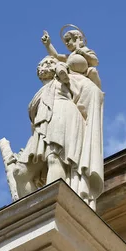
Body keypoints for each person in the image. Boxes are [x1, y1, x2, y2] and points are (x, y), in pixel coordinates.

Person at [13, 56, 86, 197]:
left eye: (50, 62)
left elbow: (66, 74)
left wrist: (60, 65)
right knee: (20, 173)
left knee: (54, 159)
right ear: (38, 71)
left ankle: (54, 209)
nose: (47, 64)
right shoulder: (40, 93)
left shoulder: (62, 79)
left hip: (62, 113)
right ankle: (35, 215)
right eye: (43, 63)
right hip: (42, 127)